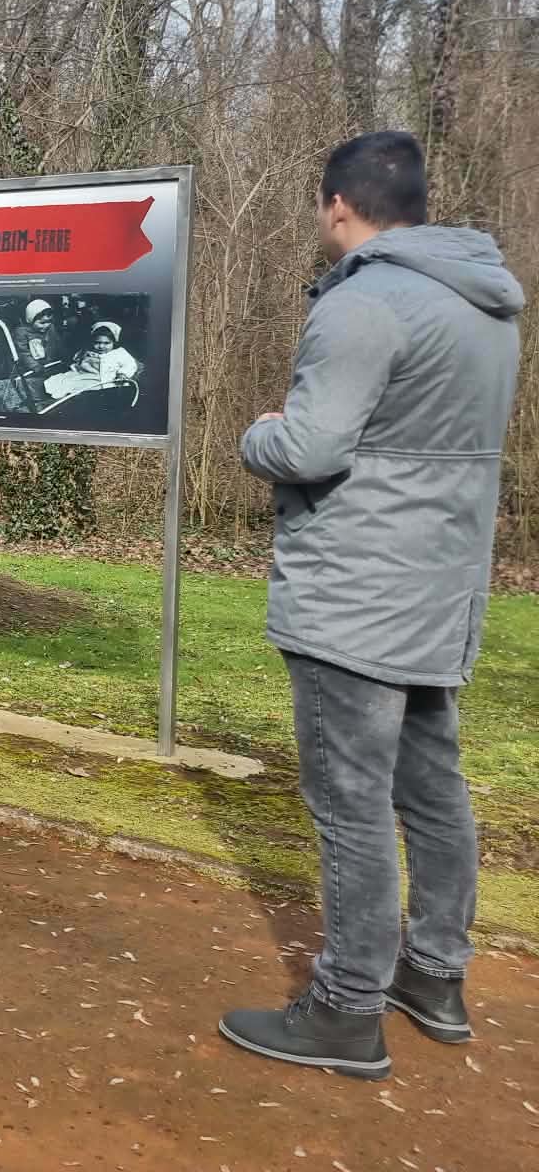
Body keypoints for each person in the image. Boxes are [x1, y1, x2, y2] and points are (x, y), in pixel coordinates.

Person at [218, 130, 523, 1080]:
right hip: (442, 587)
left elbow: (311, 448)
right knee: (432, 788)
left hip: (355, 593)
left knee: (350, 803)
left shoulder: (364, 304)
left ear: (336, 206)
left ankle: (347, 1006)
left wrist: (258, 433)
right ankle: (434, 973)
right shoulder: (488, 307)